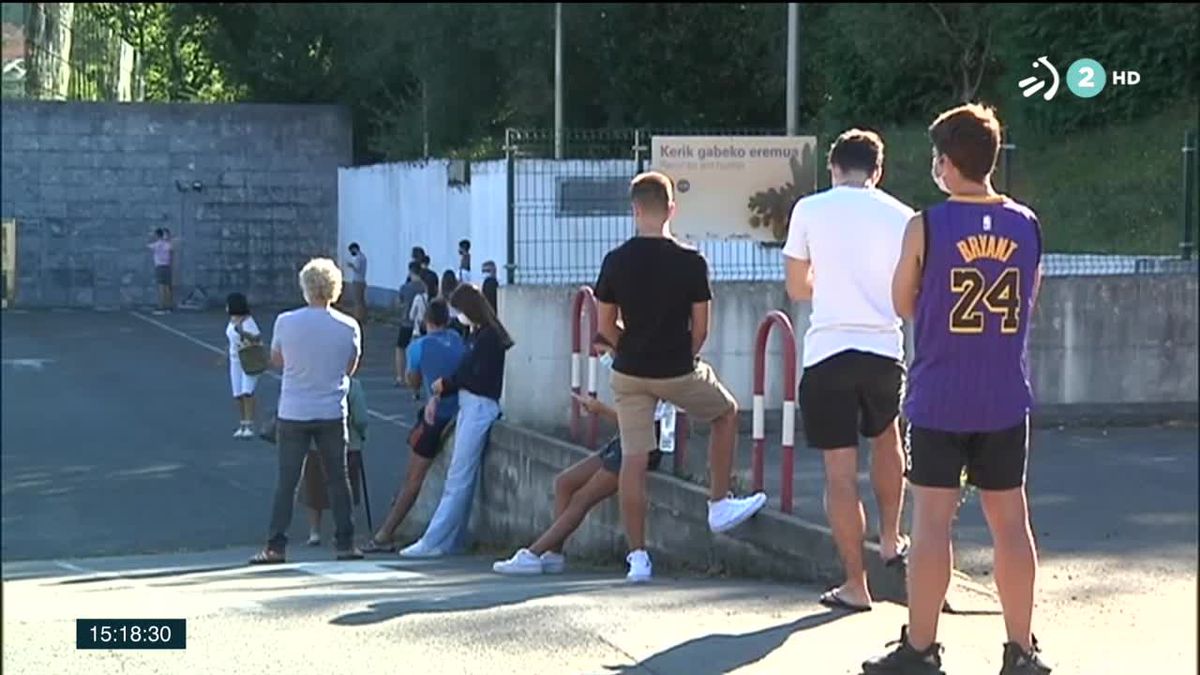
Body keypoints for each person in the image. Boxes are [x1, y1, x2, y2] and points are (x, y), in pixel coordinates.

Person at [863, 104, 1051, 675]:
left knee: (931, 525)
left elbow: (902, 301)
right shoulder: (1026, 223)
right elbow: (1028, 301)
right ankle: (1021, 650)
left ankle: (920, 649)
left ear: (946, 162)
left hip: (940, 395)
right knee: (1010, 523)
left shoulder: (927, 224)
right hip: (1002, 394)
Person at [594, 171, 767, 584]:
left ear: (634, 209)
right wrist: (679, 356)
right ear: (673, 208)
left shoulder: (615, 260)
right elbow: (701, 328)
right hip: (676, 368)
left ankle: (637, 558)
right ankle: (718, 503)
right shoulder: (692, 261)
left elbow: (605, 326)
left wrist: (630, 347)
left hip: (629, 372)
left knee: (634, 461)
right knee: (726, 413)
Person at [781, 129, 914, 612]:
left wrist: (828, 280)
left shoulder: (810, 210)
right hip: (883, 349)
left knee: (840, 474)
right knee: (887, 439)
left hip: (829, 351)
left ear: (833, 168)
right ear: (877, 172)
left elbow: (797, 287)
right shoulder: (904, 216)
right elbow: (911, 291)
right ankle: (892, 539)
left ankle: (856, 585)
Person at [492, 340, 676, 576]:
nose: (603, 359)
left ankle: (532, 553)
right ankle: (554, 554)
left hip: (642, 444)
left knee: (582, 498)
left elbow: (641, 421)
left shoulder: (646, 371)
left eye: (604, 352)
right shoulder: (630, 370)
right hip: (625, 440)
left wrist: (600, 410)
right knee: (564, 482)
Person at [249, 257, 364, 565]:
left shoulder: (286, 322)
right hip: (331, 409)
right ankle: (345, 542)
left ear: (305, 287)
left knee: (287, 481)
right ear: (335, 288)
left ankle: (275, 545)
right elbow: (350, 368)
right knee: (337, 479)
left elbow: (277, 361)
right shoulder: (348, 326)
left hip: (294, 409)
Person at [399, 284, 514, 558]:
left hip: (478, 406)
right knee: (461, 475)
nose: (456, 316)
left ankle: (433, 541)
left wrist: (446, 385)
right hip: (470, 404)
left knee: (458, 476)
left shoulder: (486, 339)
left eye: (459, 310)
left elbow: (475, 376)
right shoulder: (479, 335)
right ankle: (450, 540)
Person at [362, 299, 467, 553]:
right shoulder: (456, 339)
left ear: (425, 321)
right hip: (461, 410)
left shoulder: (418, 347)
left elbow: (413, 381)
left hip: (436, 414)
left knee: (413, 477)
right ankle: (394, 524)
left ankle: (385, 533)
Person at [298, 374, 369, 546]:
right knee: (345, 486)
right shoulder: (352, 385)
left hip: (315, 443)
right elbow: (361, 418)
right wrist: (361, 434)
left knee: (314, 488)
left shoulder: (310, 382)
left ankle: (314, 531)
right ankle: (342, 529)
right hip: (348, 443)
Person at [224, 292, 262, 439]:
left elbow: (256, 338)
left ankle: (249, 425)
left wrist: (243, 334)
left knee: (248, 392)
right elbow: (231, 339)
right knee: (238, 394)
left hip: (249, 360)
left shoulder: (248, 322)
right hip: (235, 361)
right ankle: (242, 424)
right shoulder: (231, 321)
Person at [395, 262, 429, 387]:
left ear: (410, 271)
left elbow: (399, 302)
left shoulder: (405, 287)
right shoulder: (424, 287)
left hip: (406, 321)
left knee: (400, 348)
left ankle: (400, 376)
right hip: (422, 323)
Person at [147, 228, 175, 314]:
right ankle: (168, 306)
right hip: (167, 266)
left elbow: (147, 245)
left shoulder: (155, 245)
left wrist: (150, 237)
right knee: (167, 287)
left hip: (160, 267)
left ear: (157, 235)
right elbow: (171, 251)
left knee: (161, 287)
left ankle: (161, 306)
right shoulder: (167, 244)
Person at [345, 242, 368, 321]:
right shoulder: (363, 257)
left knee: (357, 300)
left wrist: (351, 265)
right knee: (361, 300)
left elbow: (357, 269)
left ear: (354, 249)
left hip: (357, 281)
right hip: (362, 281)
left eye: (351, 250)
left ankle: (358, 317)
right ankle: (363, 316)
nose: (351, 253)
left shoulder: (358, 258)